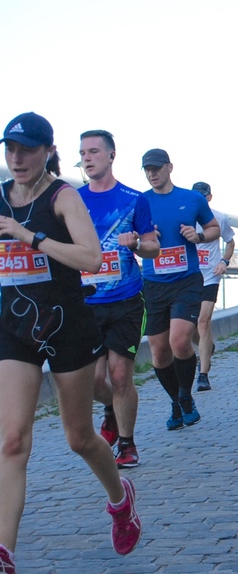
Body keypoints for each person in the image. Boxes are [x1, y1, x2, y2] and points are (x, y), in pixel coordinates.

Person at [0, 113, 141, 573]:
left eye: (26, 149)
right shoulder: (0, 196)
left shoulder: (62, 197)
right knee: (12, 440)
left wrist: (29, 236)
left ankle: (120, 499)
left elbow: (92, 258)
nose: (16, 158)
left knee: (79, 437)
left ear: (48, 152)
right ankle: (4, 554)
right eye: (10, 149)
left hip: (66, 325)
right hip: (13, 326)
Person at [79, 129, 161, 469]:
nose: (87, 158)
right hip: (86, 302)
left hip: (126, 299)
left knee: (120, 374)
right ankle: (111, 408)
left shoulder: (133, 199)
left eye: (94, 151)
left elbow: (153, 247)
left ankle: (127, 444)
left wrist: (136, 245)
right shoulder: (73, 200)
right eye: (82, 153)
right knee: (93, 380)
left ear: (111, 155)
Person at [141, 148, 220, 430]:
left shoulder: (191, 198)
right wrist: (144, 237)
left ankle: (186, 395)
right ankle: (175, 401)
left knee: (180, 340)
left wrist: (198, 236)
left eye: (156, 168)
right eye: (147, 170)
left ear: (169, 167)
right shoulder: (140, 202)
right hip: (154, 283)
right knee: (159, 351)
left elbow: (214, 229)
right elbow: (128, 237)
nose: (152, 174)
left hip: (186, 280)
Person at [191, 182, 235, 392]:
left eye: (202, 196)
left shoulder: (219, 218)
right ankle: (207, 346)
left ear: (209, 197)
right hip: (190, 277)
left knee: (203, 321)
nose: (198, 199)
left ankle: (203, 375)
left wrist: (224, 262)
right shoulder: (184, 218)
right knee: (190, 327)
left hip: (211, 276)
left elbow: (230, 242)